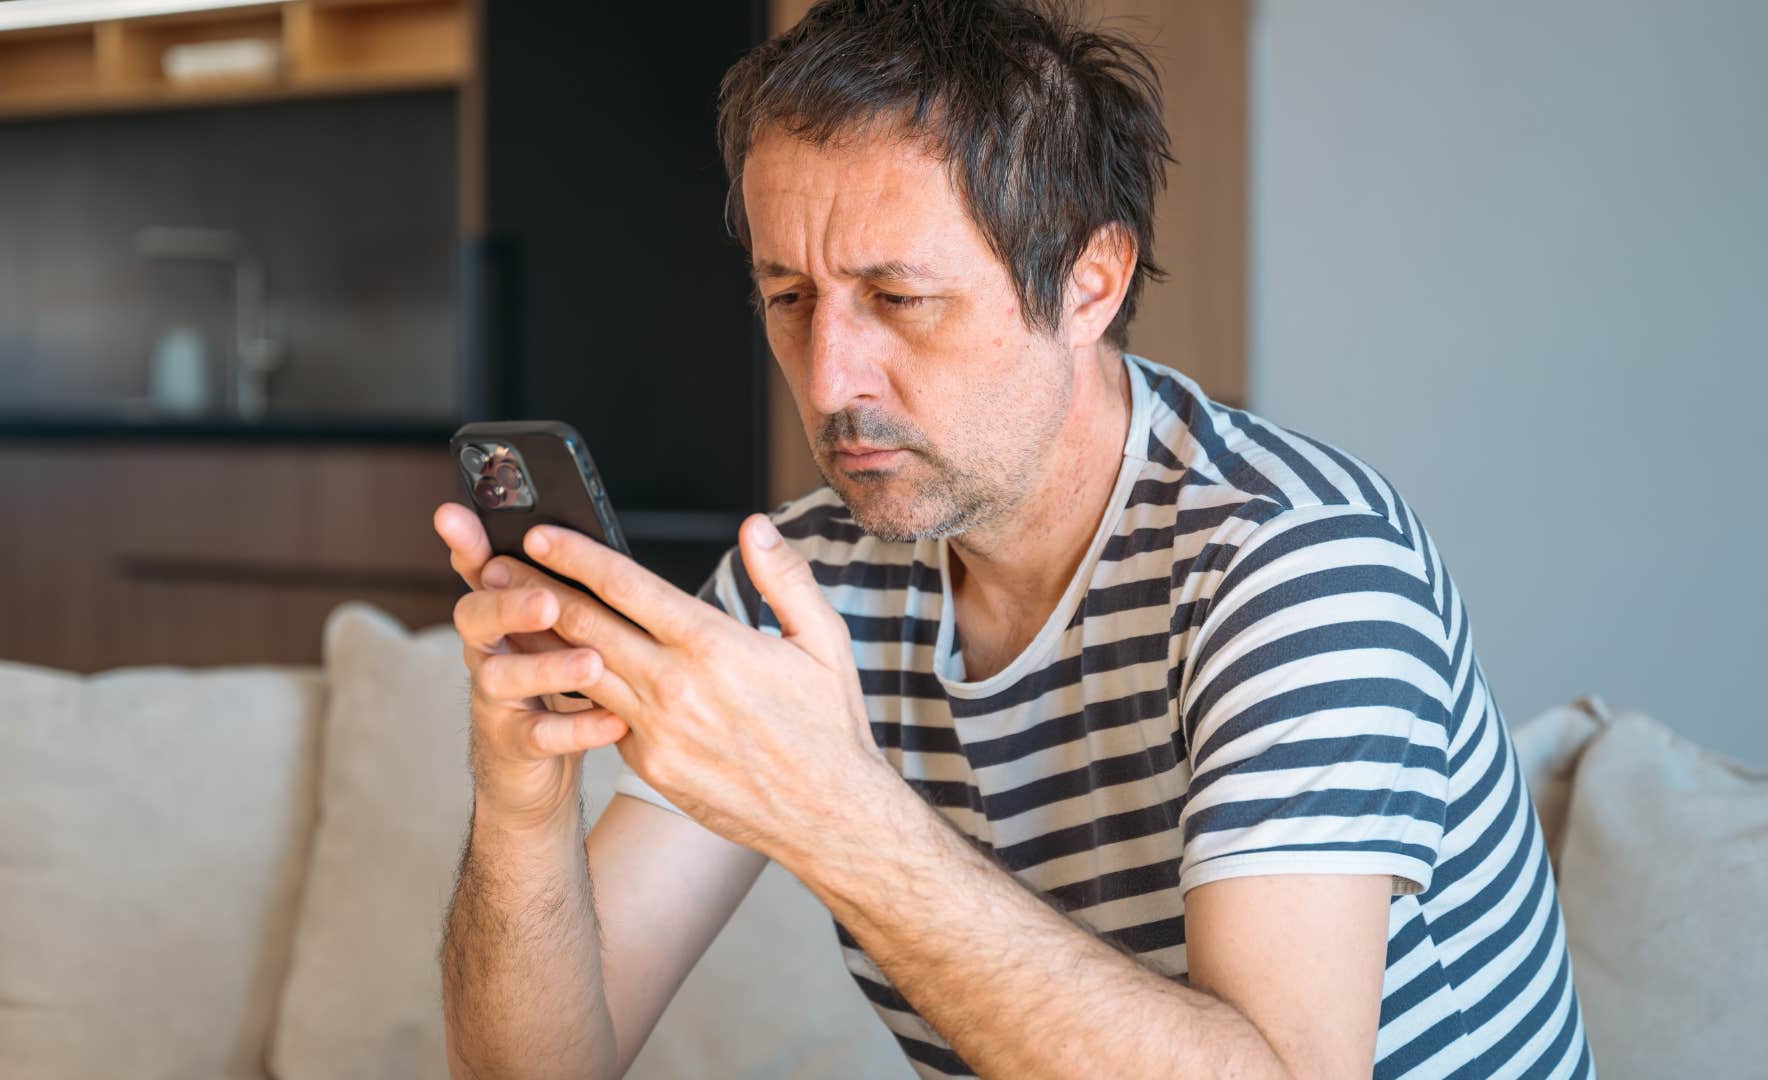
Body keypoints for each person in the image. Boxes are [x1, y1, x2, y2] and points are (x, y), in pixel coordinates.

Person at [433, 1, 1593, 1077]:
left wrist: (837, 814)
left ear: (1090, 282)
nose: (831, 381)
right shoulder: (805, 578)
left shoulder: (1298, 570)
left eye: (900, 299)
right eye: (789, 298)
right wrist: (522, 798)